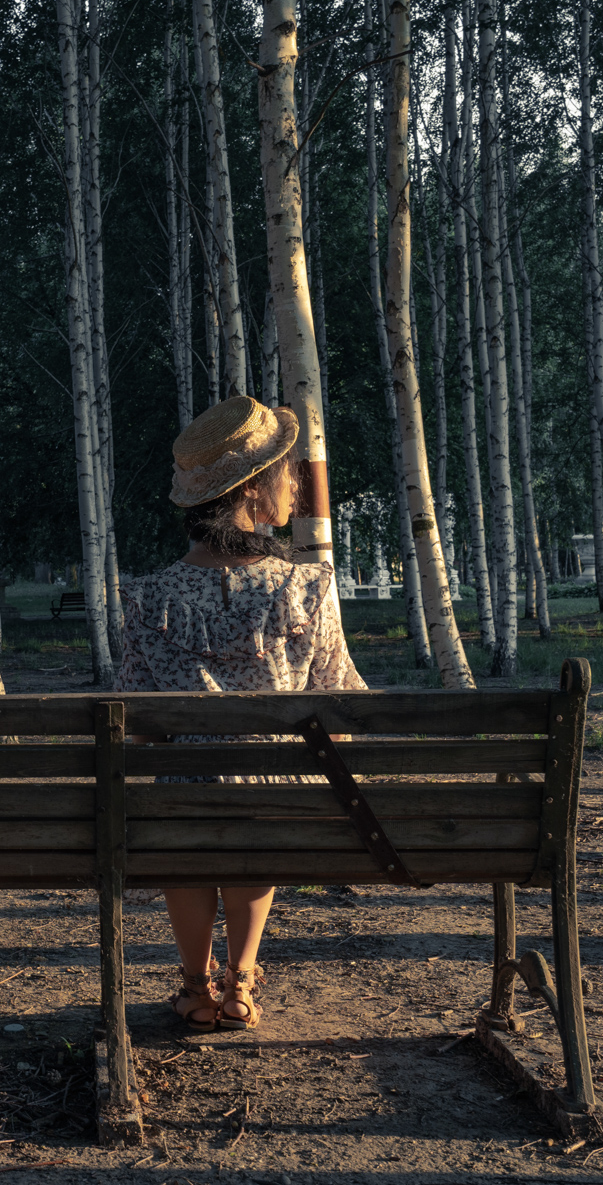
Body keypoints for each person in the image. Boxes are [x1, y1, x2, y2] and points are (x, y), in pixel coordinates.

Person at [117, 395, 367, 1032]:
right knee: (259, 798)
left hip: (181, 800)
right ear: (252, 489)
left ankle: (196, 987)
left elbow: (135, 722)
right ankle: (241, 982)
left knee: (184, 800)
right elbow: (342, 698)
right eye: (285, 473)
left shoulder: (146, 596)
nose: (294, 486)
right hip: (276, 800)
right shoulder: (308, 585)